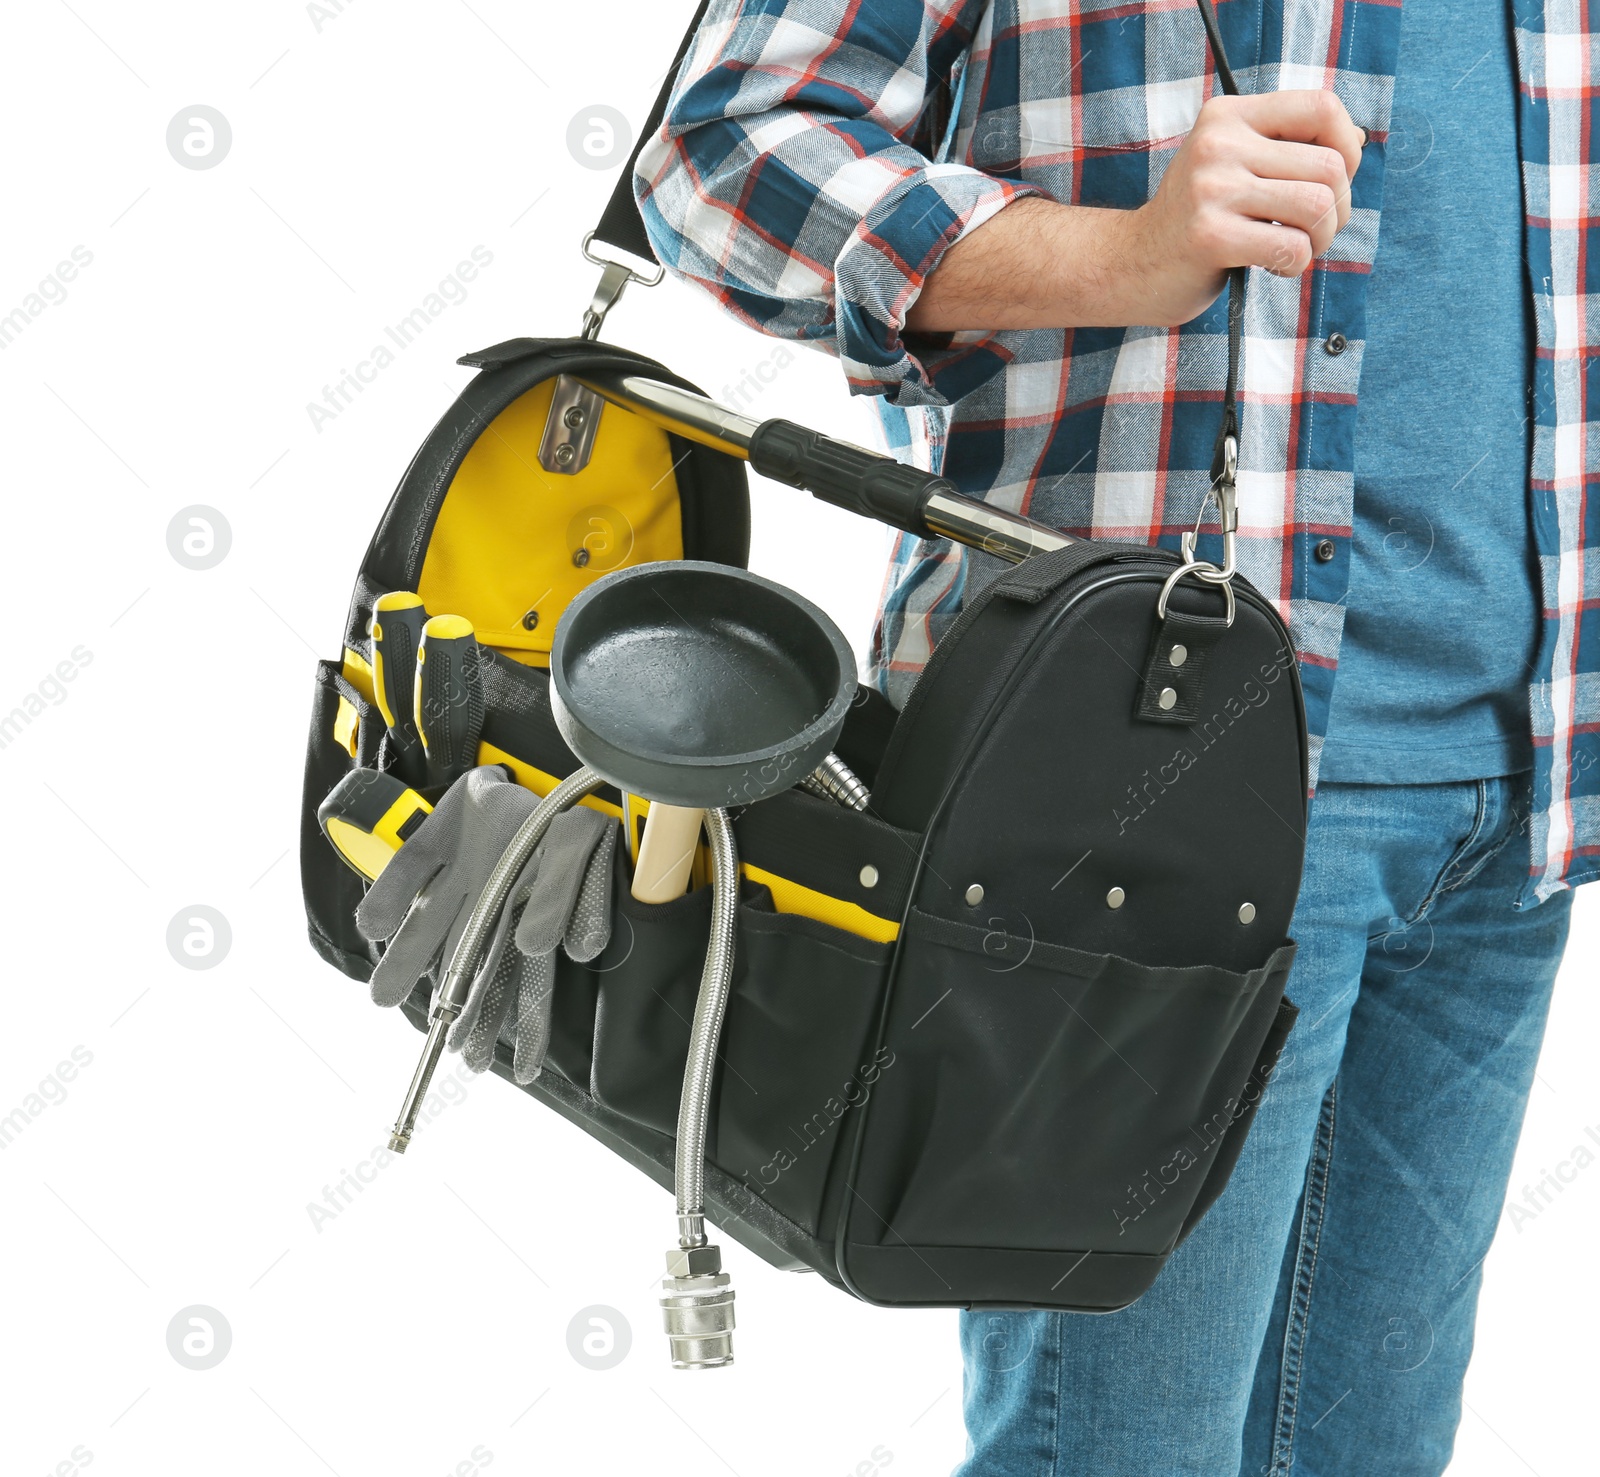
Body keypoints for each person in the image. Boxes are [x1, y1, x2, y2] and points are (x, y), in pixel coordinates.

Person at [633, 0, 1599, 1470]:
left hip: (1517, 790)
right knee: (1118, 1452)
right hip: (1160, 786)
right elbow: (716, 156)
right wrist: (1115, 254)